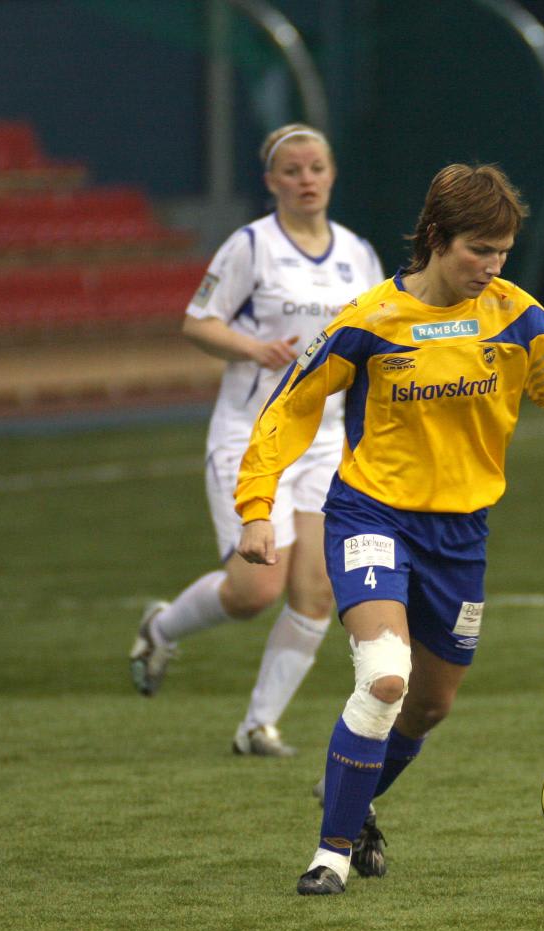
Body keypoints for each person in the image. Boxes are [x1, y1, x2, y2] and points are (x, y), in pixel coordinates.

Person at [233, 163, 544, 895]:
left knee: (429, 705)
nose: (493, 266)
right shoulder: (370, 320)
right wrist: (258, 508)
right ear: (436, 238)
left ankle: (353, 795)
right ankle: (331, 855)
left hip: (461, 536)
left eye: (502, 252)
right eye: (479, 250)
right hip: (372, 515)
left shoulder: (516, 318)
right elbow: (289, 408)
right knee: (385, 678)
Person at [128, 123, 384, 757]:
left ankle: (257, 726)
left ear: (332, 174)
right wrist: (253, 348)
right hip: (252, 436)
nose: (306, 180)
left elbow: (378, 335)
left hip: (324, 441)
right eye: (292, 171)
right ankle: (162, 628)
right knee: (254, 593)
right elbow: (197, 322)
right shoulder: (251, 246)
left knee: (318, 589)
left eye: (316, 168)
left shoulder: (358, 254)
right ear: (271, 181)